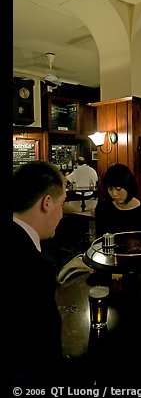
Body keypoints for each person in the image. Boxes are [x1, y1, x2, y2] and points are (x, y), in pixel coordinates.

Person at [11, 161, 66, 386]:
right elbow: (44, 354)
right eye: (62, 204)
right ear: (47, 202)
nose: (61, 215)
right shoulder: (34, 269)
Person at [95, 163, 141, 237]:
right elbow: (99, 240)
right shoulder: (103, 208)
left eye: (118, 189)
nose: (114, 194)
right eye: (110, 189)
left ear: (128, 186)